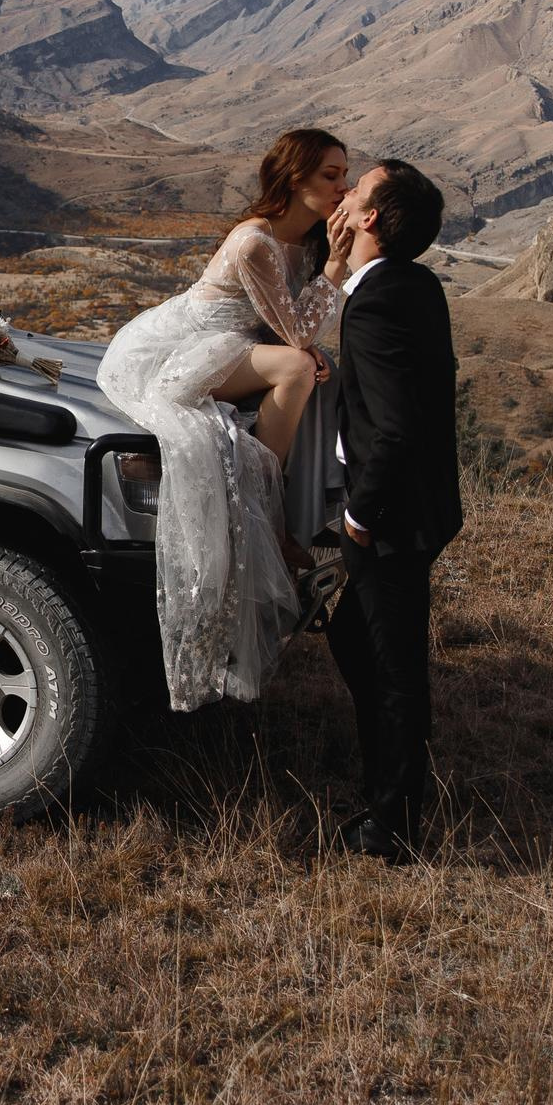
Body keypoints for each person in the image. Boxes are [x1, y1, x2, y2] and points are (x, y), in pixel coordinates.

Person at [98, 129, 352, 709]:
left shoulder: (306, 240)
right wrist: (336, 265)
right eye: (331, 176)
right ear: (295, 180)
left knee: (317, 366)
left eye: (344, 175)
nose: (344, 187)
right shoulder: (255, 241)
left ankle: (317, 496)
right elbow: (297, 333)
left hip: (233, 342)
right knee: (295, 365)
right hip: (181, 349)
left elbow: (302, 327)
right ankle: (269, 490)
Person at [321, 158, 463, 862]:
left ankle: (392, 824)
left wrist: (359, 516)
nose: (343, 196)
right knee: (357, 639)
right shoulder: (413, 284)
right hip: (424, 507)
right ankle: (385, 783)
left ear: (372, 217)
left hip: (391, 517)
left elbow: (398, 424)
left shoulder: (376, 301)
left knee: (393, 664)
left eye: (356, 191)